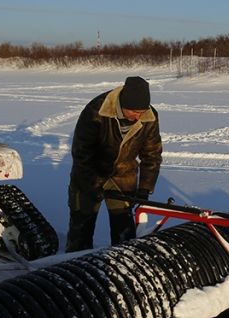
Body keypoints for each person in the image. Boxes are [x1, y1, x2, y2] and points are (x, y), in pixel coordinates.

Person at [66, 75, 162, 252]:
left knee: (124, 230)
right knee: (81, 226)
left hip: (123, 177)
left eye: (142, 112)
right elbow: (82, 152)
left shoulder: (149, 118)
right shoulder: (97, 110)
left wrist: (145, 188)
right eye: (134, 112)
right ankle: (74, 260)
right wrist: (93, 182)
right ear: (123, 105)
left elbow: (152, 155)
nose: (138, 116)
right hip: (89, 175)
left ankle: (120, 261)